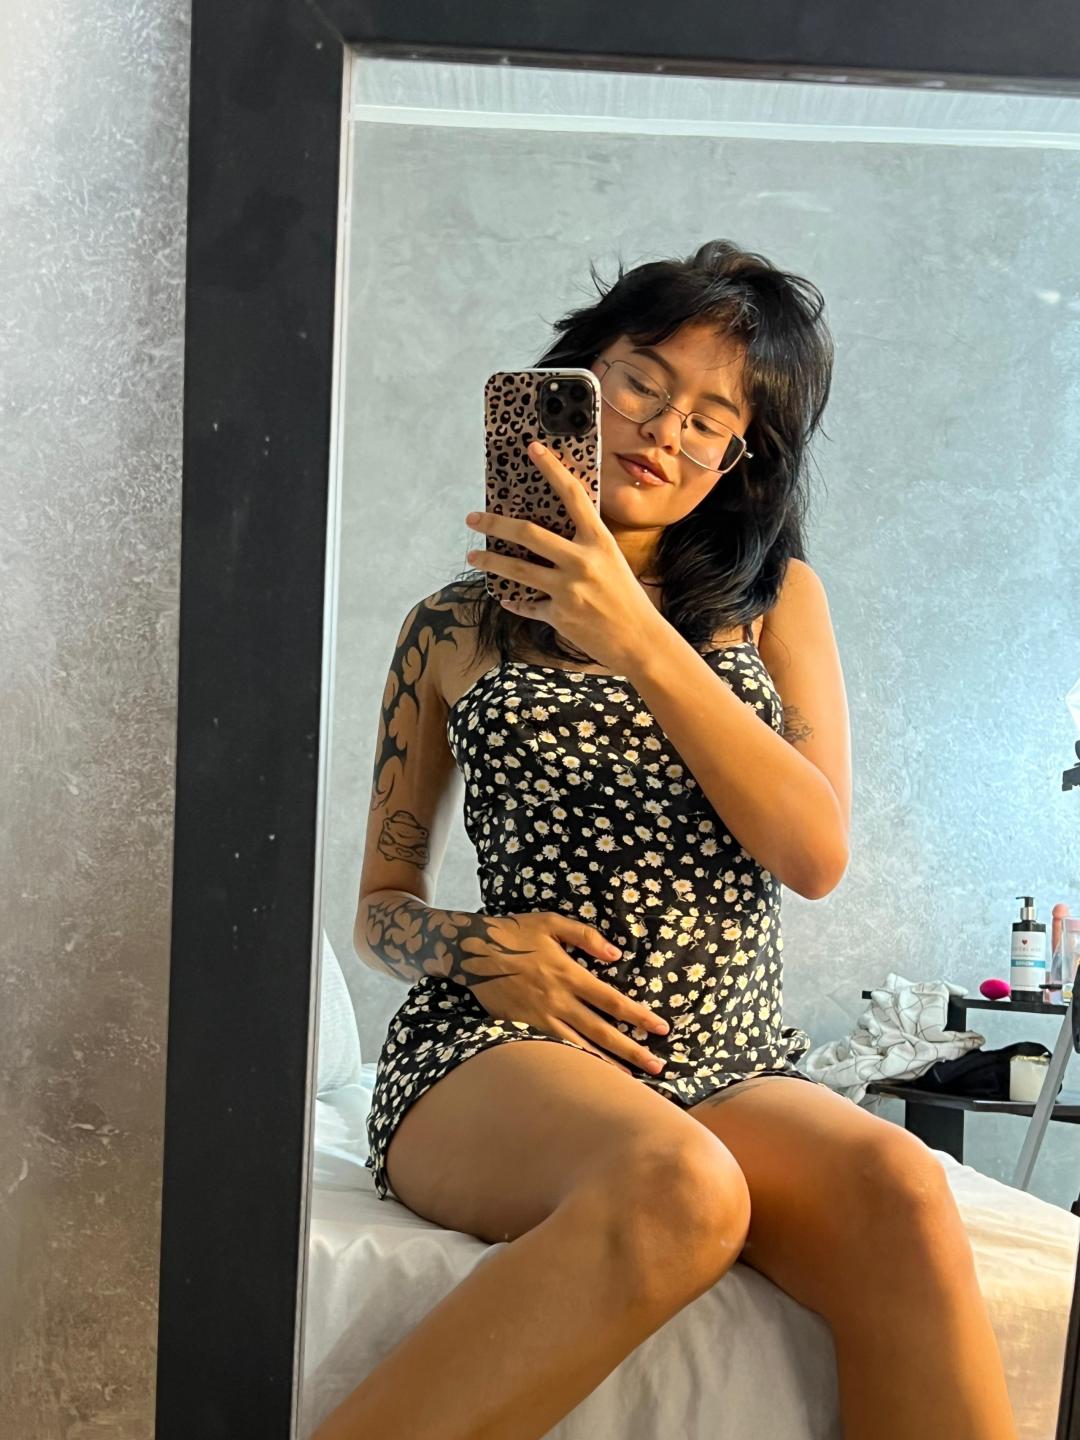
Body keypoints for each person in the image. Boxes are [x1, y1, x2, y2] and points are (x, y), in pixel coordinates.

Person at [314, 241, 1018, 1440]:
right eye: (643, 382)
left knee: (902, 1188)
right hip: (500, 1052)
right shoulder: (451, 627)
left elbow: (813, 855)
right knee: (679, 1189)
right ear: (579, 377)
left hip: (730, 1060)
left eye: (711, 420)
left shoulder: (778, 605)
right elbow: (382, 907)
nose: (663, 430)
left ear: (743, 460)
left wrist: (637, 635)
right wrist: (477, 948)